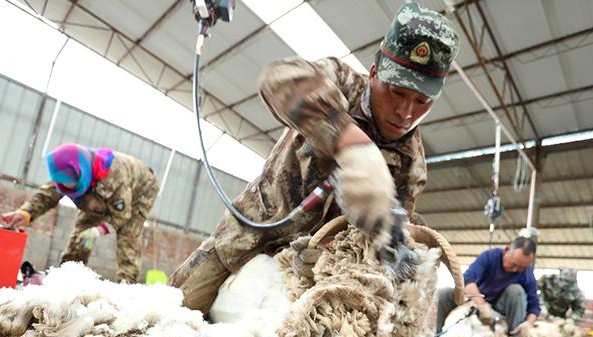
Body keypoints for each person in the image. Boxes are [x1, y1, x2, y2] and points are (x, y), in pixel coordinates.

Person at [172, 3, 460, 315]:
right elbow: (278, 78)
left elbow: (388, 235)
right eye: (397, 93)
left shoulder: (411, 164)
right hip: (250, 235)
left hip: (311, 272)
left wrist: (394, 243)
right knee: (174, 312)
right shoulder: (339, 82)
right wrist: (348, 140)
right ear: (375, 73)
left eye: (422, 101)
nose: (406, 113)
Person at [2, 143, 158, 283]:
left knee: (128, 234)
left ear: (81, 173)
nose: (67, 188)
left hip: (140, 191)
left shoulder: (115, 177)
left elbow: (121, 215)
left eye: (71, 184)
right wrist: (25, 213)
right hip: (96, 192)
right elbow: (46, 196)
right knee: (81, 234)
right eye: (63, 185)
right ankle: (67, 276)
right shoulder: (64, 170)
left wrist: (98, 230)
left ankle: (127, 284)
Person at [436, 237, 541, 337]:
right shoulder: (489, 257)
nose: (515, 270)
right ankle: (439, 333)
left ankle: (513, 336)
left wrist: (528, 324)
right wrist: (482, 306)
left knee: (516, 290)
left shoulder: (527, 273)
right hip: (475, 300)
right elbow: (467, 279)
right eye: (513, 264)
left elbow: (534, 305)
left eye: (521, 268)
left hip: (499, 309)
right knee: (444, 293)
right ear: (507, 250)